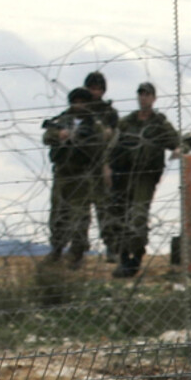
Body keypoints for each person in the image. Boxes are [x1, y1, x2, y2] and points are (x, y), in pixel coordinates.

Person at [109, 82, 180, 278]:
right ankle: (124, 258)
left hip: (145, 176)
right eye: (141, 94)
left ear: (154, 98)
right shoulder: (127, 122)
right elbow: (112, 146)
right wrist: (107, 167)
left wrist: (178, 149)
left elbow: (177, 141)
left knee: (138, 216)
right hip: (123, 175)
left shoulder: (159, 124)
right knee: (121, 217)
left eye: (147, 94)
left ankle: (136, 256)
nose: (144, 98)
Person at [42, 87, 107, 269]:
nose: (78, 105)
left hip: (82, 175)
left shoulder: (94, 125)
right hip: (62, 173)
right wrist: (59, 135)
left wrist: (81, 140)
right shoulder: (61, 120)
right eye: (75, 102)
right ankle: (56, 249)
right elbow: (47, 136)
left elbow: (100, 145)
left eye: (82, 102)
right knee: (58, 214)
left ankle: (77, 253)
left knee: (80, 216)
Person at [83, 71, 121, 260]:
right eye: (92, 88)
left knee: (105, 209)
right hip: (82, 166)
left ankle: (112, 247)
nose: (95, 92)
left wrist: (108, 164)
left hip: (102, 165)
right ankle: (78, 250)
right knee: (80, 212)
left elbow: (115, 139)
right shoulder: (80, 111)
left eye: (98, 89)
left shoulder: (109, 113)